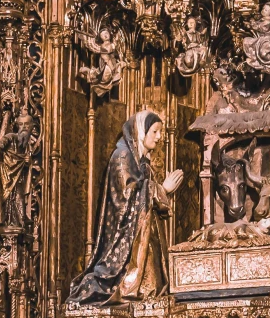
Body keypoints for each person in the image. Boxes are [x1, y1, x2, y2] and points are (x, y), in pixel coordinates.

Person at [69, 109, 184, 305]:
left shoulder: (144, 164)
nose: (159, 138)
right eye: (155, 132)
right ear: (141, 131)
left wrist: (158, 193)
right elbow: (127, 195)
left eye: (160, 132)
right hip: (125, 236)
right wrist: (161, 189)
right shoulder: (121, 157)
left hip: (144, 235)